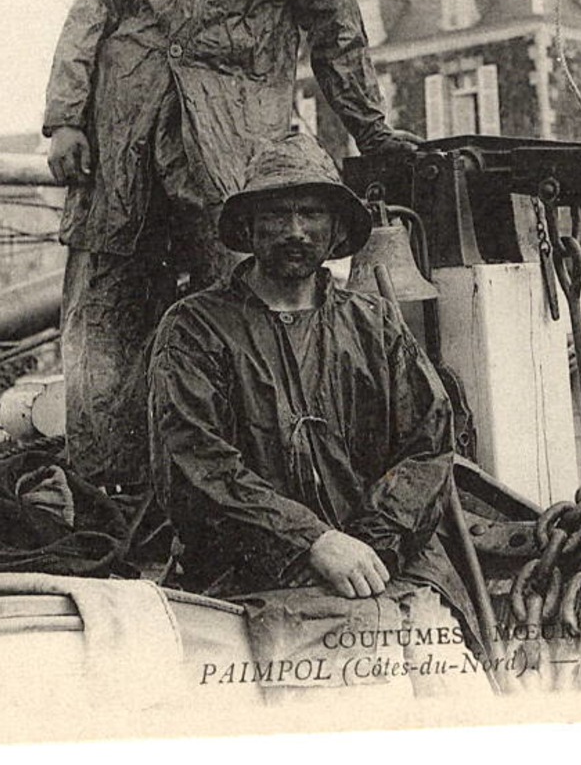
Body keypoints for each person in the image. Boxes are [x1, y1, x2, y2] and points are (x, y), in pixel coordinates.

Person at [42, 0, 417, 490]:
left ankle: (234, 493)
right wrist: (65, 120)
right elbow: (87, 15)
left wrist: (372, 134)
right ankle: (105, 501)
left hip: (233, 157)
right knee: (104, 321)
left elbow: (337, 35)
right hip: (124, 154)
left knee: (231, 311)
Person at [148, 133, 479, 688]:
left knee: (456, 698)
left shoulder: (374, 324)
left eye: (311, 213)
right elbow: (194, 464)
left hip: (388, 567)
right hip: (252, 576)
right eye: (276, 214)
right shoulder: (195, 330)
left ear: (338, 229)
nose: (295, 231)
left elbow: (428, 445)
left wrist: (373, 546)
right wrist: (312, 541)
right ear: (249, 229)